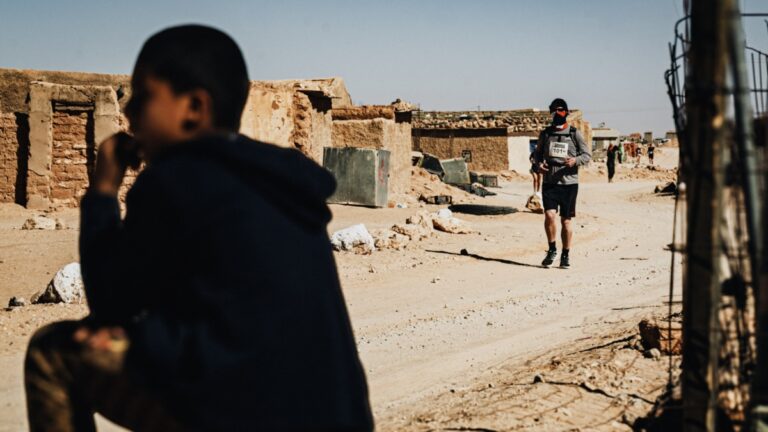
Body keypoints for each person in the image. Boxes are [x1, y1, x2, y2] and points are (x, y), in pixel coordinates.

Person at [24, 25, 373, 432]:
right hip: (339, 416)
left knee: (52, 353)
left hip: (242, 414)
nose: (130, 112)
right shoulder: (282, 180)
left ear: (193, 107)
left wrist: (103, 191)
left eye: (144, 96)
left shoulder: (177, 179)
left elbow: (110, 306)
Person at [534, 98, 592, 268]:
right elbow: (537, 154)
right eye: (554, 110)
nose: (557, 113)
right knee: (549, 215)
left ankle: (565, 253)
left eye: (560, 110)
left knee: (566, 221)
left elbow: (587, 155)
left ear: (566, 112)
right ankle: (552, 249)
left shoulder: (574, 133)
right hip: (550, 182)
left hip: (569, 183)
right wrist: (538, 165)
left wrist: (575, 161)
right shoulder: (545, 134)